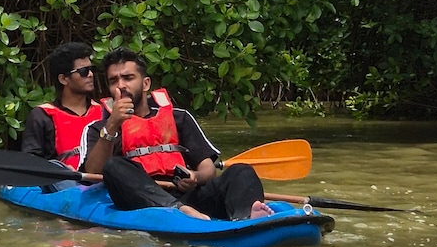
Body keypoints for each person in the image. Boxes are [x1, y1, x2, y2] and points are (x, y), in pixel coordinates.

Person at [82, 48, 273, 221]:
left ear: (146, 83)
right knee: (114, 166)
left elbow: (208, 168)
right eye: (114, 81)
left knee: (241, 170)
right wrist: (113, 125)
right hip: (140, 201)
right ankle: (177, 211)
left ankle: (246, 218)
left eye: (128, 78)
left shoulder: (179, 118)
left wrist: (195, 177)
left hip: (188, 197)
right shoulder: (99, 128)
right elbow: (93, 175)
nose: (121, 85)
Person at [20, 41, 104, 170]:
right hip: (61, 186)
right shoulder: (42, 116)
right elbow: (32, 164)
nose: (90, 74)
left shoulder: (104, 112)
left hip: (101, 184)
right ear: (63, 79)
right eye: (83, 71)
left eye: (91, 69)